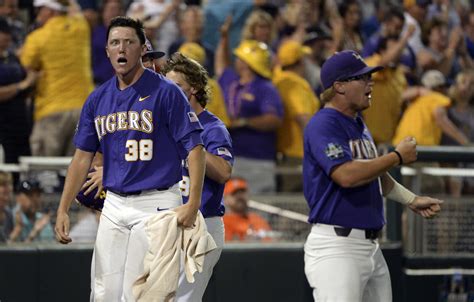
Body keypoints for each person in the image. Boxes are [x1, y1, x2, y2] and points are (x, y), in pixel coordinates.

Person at [54, 16, 206, 301]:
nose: (121, 48)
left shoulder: (167, 92)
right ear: (107, 51)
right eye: (115, 43)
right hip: (113, 203)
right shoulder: (97, 99)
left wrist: (193, 203)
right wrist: (63, 208)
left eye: (129, 42)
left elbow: (195, 149)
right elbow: (81, 158)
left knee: (139, 294)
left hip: (157, 203)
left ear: (141, 49)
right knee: (103, 292)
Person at [303, 50, 443, 302]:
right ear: (339, 86)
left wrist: (411, 200)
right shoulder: (324, 124)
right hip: (338, 247)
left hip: (369, 246)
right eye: (362, 78)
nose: (370, 83)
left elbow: (376, 175)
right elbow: (346, 175)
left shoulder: (357, 123)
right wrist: (396, 157)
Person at [162, 52, 233, 302]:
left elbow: (224, 171)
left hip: (202, 223)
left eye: (176, 86)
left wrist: (193, 144)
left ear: (193, 89)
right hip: (167, 223)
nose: (169, 91)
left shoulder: (212, 127)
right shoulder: (166, 125)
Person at [20, 0, 94, 156]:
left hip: (51, 108)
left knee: (46, 170)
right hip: (83, 110)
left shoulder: (37, 38)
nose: (37, 15)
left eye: (40, 10)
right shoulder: (80, 27)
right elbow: (75, 7)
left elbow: (26, 65)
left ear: (50, 11)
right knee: (77, 170)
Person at [222, 177, 271, 242]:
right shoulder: (222, 224)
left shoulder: (257, 220)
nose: (239, 196)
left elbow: (269, 243)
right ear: (226, 198)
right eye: (234, 193)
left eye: (242, 192)